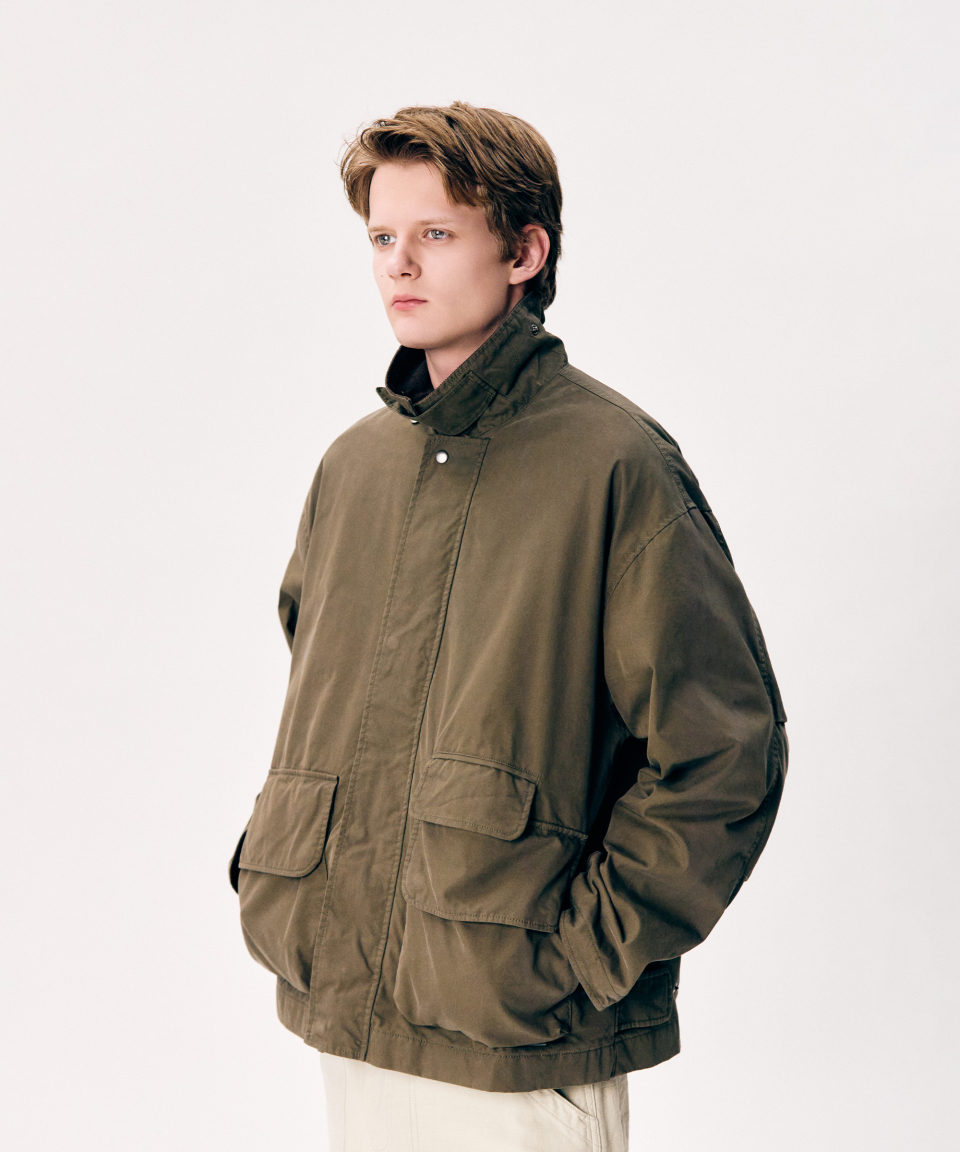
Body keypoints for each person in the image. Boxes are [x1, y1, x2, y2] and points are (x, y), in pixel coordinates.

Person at [230, 102, 788, 1151]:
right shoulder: (355, 468)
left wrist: (578, 956)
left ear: (524, 253)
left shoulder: (614, 466)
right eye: (382, 237)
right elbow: (318, 688)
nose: (400, 264)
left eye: (436, 233)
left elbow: (723, 753)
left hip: (518, 1037)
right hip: (353, 1015)